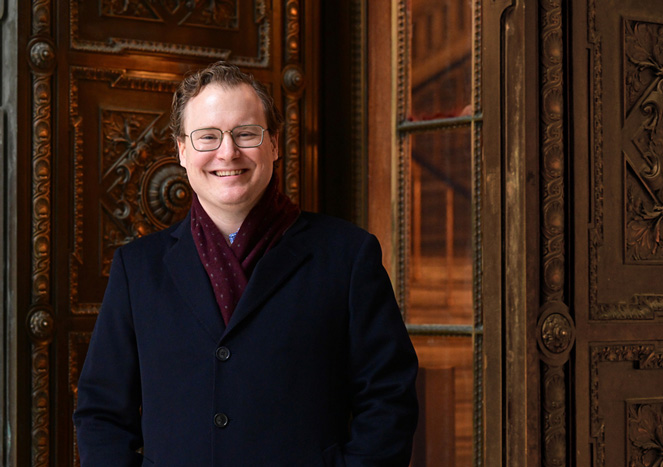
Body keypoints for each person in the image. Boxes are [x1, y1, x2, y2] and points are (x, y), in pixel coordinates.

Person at [73, 61, 419, 466]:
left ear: (273, 143)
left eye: (246, 134)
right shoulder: (138, 268)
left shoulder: (347, 254)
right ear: (182, 150)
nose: (228, 152)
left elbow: (389, 400)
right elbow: (101, 414)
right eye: (208, 137)